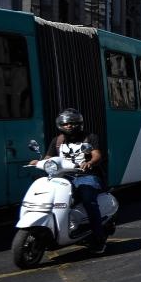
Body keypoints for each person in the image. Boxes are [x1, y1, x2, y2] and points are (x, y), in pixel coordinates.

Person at [31, 109, 108, 254]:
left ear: (79, 124)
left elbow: (97, 155)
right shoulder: (58, 141)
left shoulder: (89, 138)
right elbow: (49, 158)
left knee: (88, 199)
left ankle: (99, 239)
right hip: (63, 177)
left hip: (87, 175)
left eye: (72, 123)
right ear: (60, 125)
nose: (69, 126)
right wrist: (39, 162)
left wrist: (90, 163)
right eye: (65, 124)